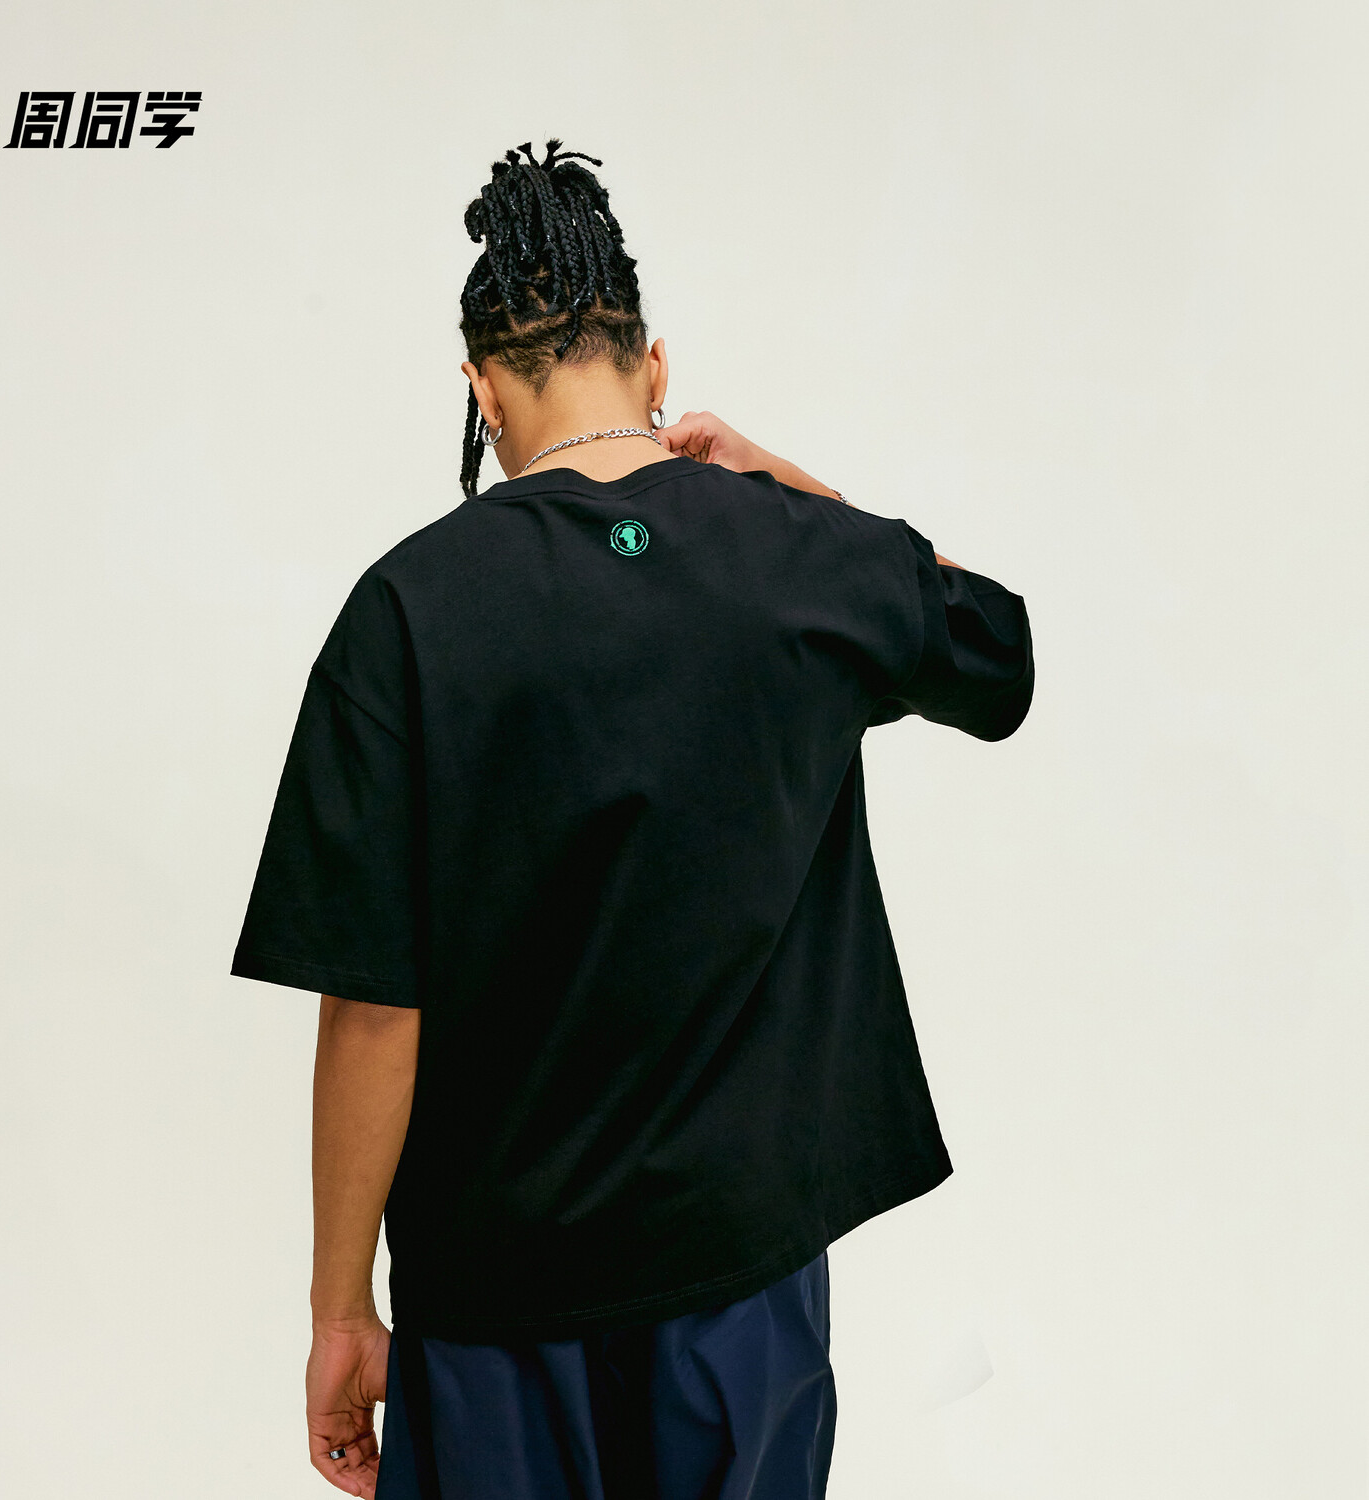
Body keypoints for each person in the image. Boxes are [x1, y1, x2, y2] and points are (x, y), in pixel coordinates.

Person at [230, 138, 1036, 1499]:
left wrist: (341, 1309)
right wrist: (795, 489)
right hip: (743, 1281)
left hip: (496, 1299)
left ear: (482, 390)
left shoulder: (408, 611)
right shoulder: (801, 559)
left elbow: (372, 1006)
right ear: (654, 368)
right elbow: (995, 653)